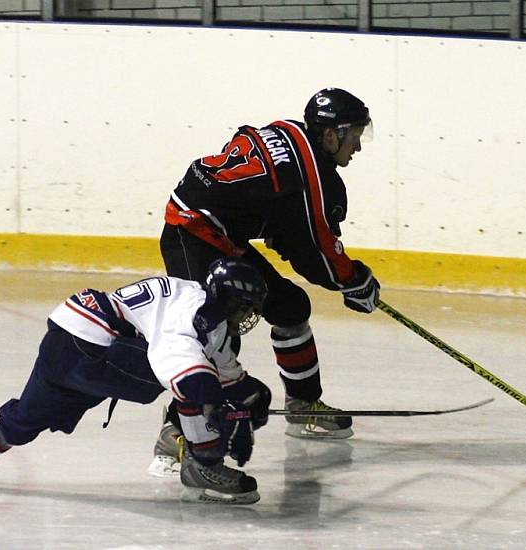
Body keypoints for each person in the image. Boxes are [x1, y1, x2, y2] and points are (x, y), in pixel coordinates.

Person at [149, 88, 381, 477]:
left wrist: (276, 228)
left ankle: (304, 406)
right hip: (191, 234)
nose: (358, 145)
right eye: (354, 134)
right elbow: (317, 255)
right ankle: (175, 439)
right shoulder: (311, 177)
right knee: (213, 331)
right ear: (330, 135)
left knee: (290, 306)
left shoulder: (290, 132)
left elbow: (264, 201)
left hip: (217, 232)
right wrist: (355, 282)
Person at [0, 258, 271, 505]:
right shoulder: (195, 315)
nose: (249, 316)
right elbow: (186, 371)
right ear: (227, 301)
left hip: (69, 333)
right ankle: (203, 466)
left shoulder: (197, 303)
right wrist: (222, 415)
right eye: (246, 307)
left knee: (24, 418)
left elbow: (225, 371)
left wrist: (254, 396)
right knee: (188, 381)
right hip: (94, 349)